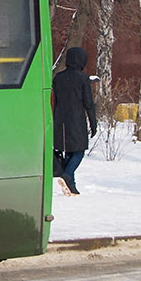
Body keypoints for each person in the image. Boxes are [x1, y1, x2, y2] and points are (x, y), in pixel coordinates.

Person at [51, 45, 98, 195]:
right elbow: (88, 103)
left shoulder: (58, 78)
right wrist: (93, 123)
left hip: (60, 120)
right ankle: (66, 176)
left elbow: (54, 101)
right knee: (78, 152)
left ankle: (71, 186)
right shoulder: (83, 79)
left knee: (67, 152)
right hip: (76, 120)